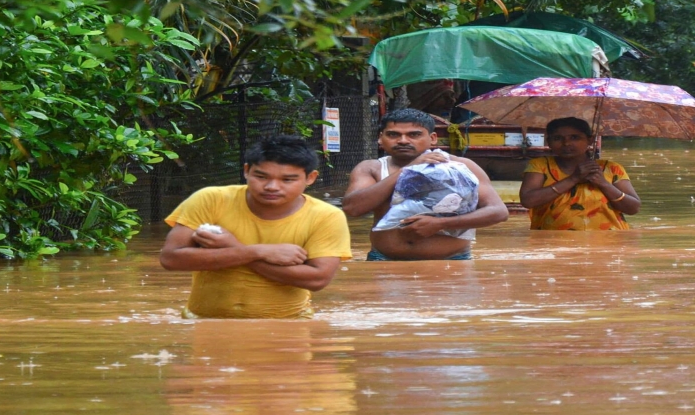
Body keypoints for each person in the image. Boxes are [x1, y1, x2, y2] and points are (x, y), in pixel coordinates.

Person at [159, 135, 352, 318]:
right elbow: (171, 259)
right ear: (246, 171)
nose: (272, 187)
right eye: (261, 176)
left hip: (289, 327)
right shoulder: (210, 199)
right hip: (202, 321)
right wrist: (257, 252)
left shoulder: (327, 216)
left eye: (287, 180)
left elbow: (317, 280)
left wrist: (235, 248)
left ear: (310, 178)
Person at [342, 108, 509, 260]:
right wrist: (407, 170)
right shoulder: (371, 168)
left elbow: (498, 212)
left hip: (452, 261)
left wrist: (441, 224)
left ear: (433, 138)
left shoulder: (462, 167)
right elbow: (353, 209)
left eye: (414, 135)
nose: (403, 140)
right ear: (380, 138)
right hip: (385, 259)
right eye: (393, 135)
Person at [519, 117, 641, 230]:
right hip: (553, 245)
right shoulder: (540, 166)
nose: (566, 143)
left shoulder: (611, 168)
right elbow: (528, 201)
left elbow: (633, 208)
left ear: (590, 140)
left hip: (609, 243)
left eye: (574, 137)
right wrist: (574, 178)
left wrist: (604, 184)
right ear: (548, 142)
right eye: (557, 138)